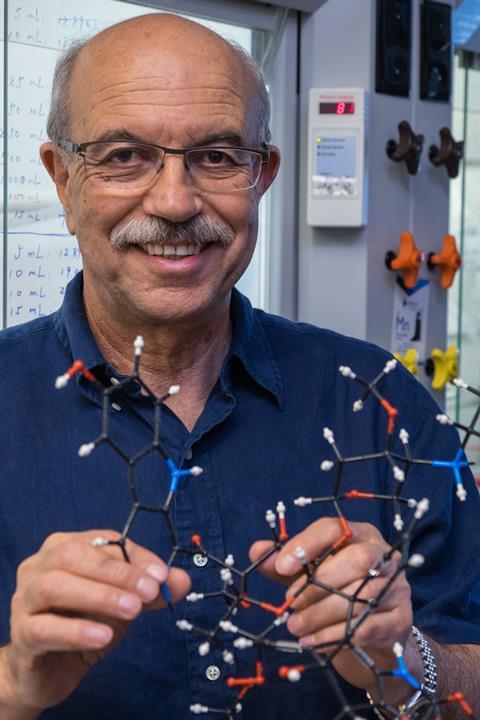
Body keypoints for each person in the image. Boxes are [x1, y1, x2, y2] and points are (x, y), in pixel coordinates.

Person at [0, 12, 479, 720]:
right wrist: (13, 684)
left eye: (218, 156)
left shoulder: (380, 402)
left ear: (263, 176)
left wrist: (402, 659)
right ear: (62, 179)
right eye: (125, 154)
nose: (174, 201)